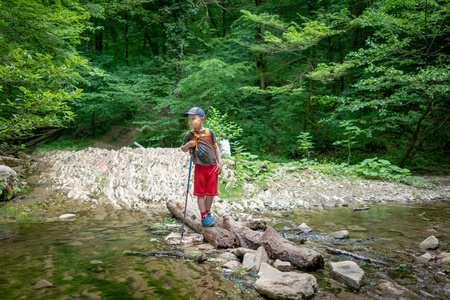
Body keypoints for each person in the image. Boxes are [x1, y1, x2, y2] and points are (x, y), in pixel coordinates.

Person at [180, 107, 223, 227]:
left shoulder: (209, 132)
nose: (190, 121)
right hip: (200, 167)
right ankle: (203, 215)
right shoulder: (190, 135)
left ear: (202, 119)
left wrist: (220, 163)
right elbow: (183, 149)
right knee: (200, 193)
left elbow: (216, 148)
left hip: (212, 167)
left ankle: (208, 214)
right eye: (189, 119)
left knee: (210, 193)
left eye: (194, 118)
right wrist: (189, 144)